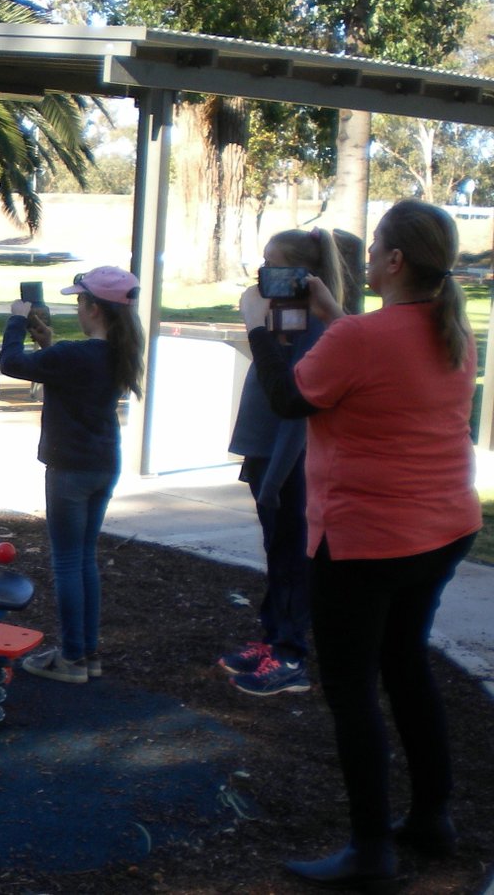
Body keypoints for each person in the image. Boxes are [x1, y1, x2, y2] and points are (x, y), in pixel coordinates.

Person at [238, 199, 481, 890]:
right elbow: (378, 358)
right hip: (441, 531)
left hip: (365, 541)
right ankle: (432, 820)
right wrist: (332, 312)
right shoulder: (449, 331)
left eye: (375, 247)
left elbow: (291, 400)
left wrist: (260, 328)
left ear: (395, 261)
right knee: (406, 667)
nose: (367, 256)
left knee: (351, 692)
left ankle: (370, 849)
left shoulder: (362, 339)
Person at [0, 266, 145, 683]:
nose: (77, 309)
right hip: (103, 464)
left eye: (80, 302)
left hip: (69, 469)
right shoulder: (119, 351)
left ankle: (70, 659)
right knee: (85, 560)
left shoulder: (74, 356)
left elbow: (11, 363)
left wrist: (15, 317)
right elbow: (69, 368)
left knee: (66, 562)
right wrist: (48, 343)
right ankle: (86, 654)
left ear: (95, 309)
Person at [220, 228, 346, 697]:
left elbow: (299, 412)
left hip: (287, 464)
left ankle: (291, 654)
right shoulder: (282, 320)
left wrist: (274, 478)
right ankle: (273, 637)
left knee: (292, 555)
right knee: (277, 551)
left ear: (300, 275)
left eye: (271, 265)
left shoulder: (314, 327)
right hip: (265, 456)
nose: (260, 274)